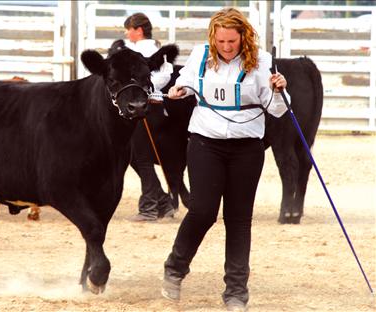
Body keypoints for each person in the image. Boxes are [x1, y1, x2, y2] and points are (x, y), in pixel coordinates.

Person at [160, 8, 289, 311]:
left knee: (239, 220)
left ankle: (236, 292)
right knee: (203, 211)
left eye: (232, 41)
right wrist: (181, 89)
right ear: (213, 38)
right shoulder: (201, 54)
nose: (227, 47)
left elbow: (278, 110)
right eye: (221, 41)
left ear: (242, 37)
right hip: (206, 142)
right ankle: (175, 269)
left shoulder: (261, 62)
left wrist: (280, 90)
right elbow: (188, 82)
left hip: (247, 147)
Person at [124, 13, 176, 222]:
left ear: (138, 30)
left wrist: (142, 89)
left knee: (141, 158)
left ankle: (149, 207)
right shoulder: (154, 50)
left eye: (129, 29)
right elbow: (166, 74)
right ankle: (162, 201)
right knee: (136, 157)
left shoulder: (141, 51)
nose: (127, 34)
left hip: (144, 108)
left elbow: (162, 75)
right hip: (149, 107)